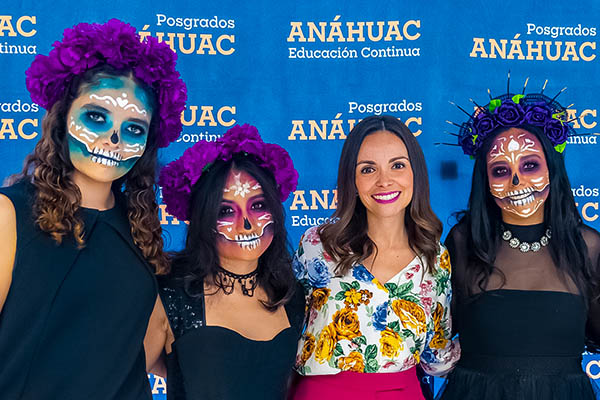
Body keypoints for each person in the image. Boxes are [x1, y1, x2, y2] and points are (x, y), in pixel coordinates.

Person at [0, 19, 186, 399]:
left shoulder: (141, 232)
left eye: (134, 128)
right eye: (96, 117)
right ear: (63, 117)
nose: (113, 139)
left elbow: (141, 352)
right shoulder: (10, 214)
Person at [438, 82, 600, 399]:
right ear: (485, 180)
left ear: (551, 169)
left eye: (529, 165)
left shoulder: (588, 246)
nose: (516, 181)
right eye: (501, 170)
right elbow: (434, 335)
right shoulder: (464, 241)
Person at [290, 115, 459, 400]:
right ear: (352, 180)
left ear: (415, 173)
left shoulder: (435, 257)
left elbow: (437, 357)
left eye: (397, 165)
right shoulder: (317, 244)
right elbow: (283, 331)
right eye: (368, 169)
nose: (384, 180)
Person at [144, 124, 305, 399]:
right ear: (202, 219)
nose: (246, 224)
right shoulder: (170, 295)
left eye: (258, 206)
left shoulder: (291, 294)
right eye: (225, 210)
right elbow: (123, 377)